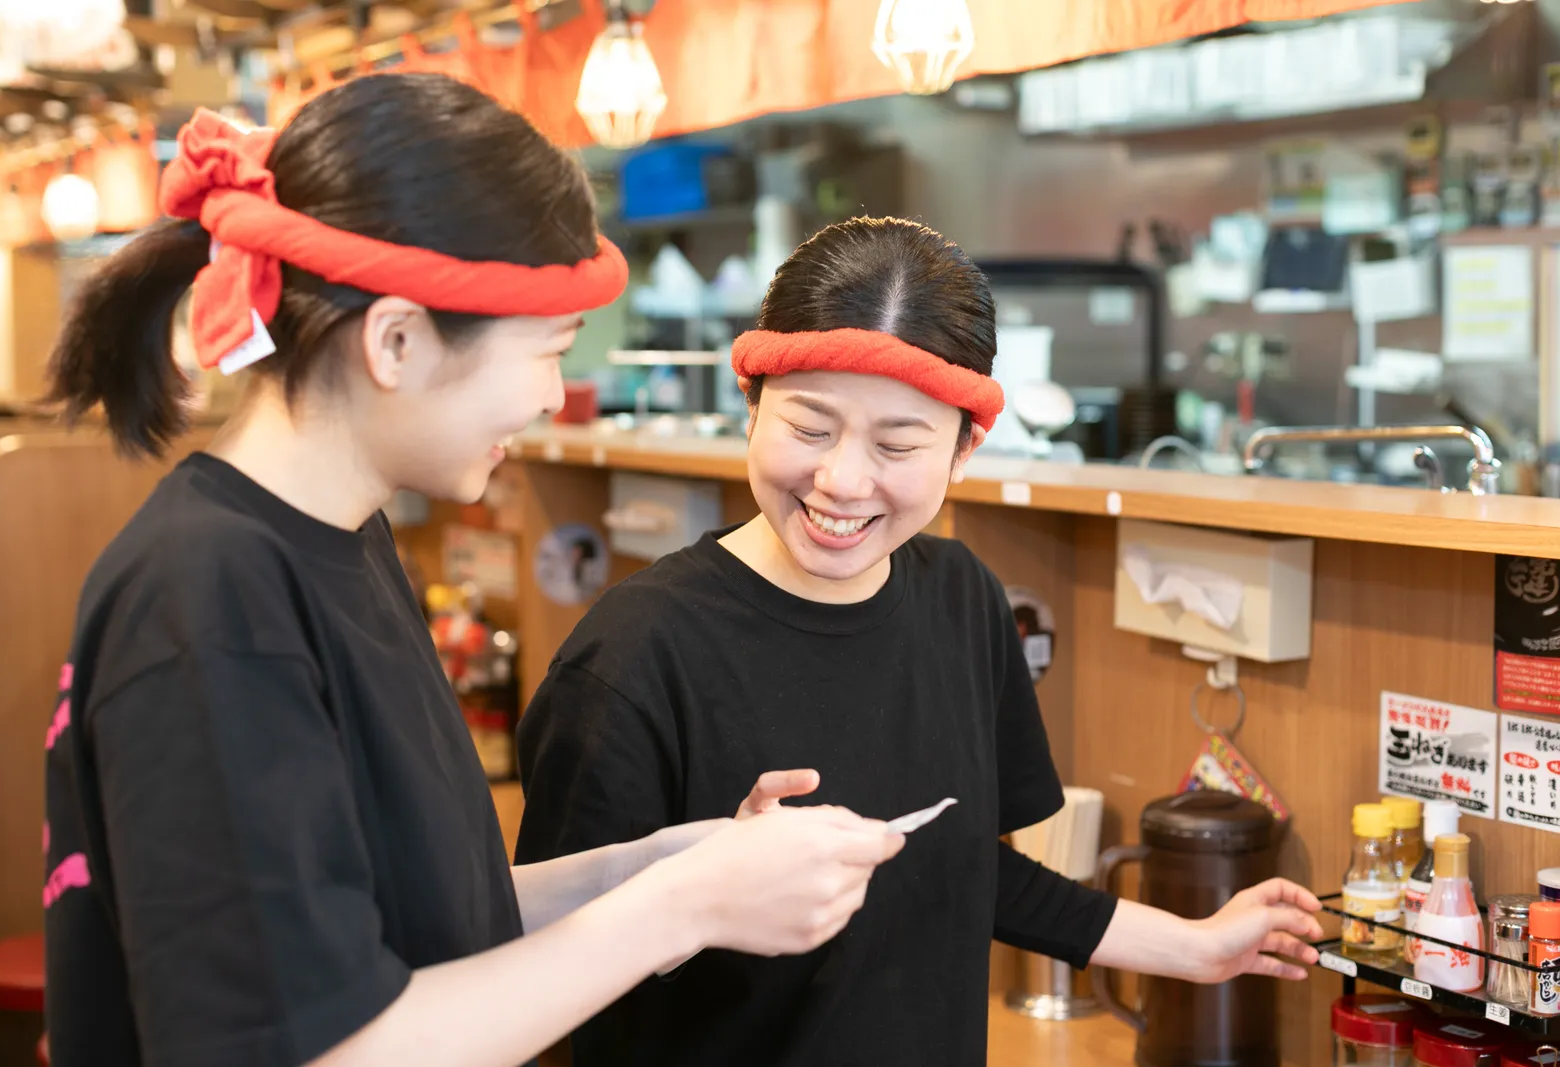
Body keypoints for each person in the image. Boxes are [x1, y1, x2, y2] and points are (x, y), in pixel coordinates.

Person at [40, 74, 908, 1067]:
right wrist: (681, 908)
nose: (551, 397)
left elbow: (421, 915)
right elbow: (319, 1045)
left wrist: (671, 862)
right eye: (547, 351)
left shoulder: (347, 538)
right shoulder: (205, 596)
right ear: (398, 339)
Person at [514, 217, 1325, 1067]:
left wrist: (1194, 946)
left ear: (965, 448)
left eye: (898, 443)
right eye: (810, 427)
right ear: (750, 402)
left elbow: (963, 870)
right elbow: (537, 971)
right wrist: (702, 893)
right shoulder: (634, 653)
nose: (843, 481)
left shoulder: (963, 599)